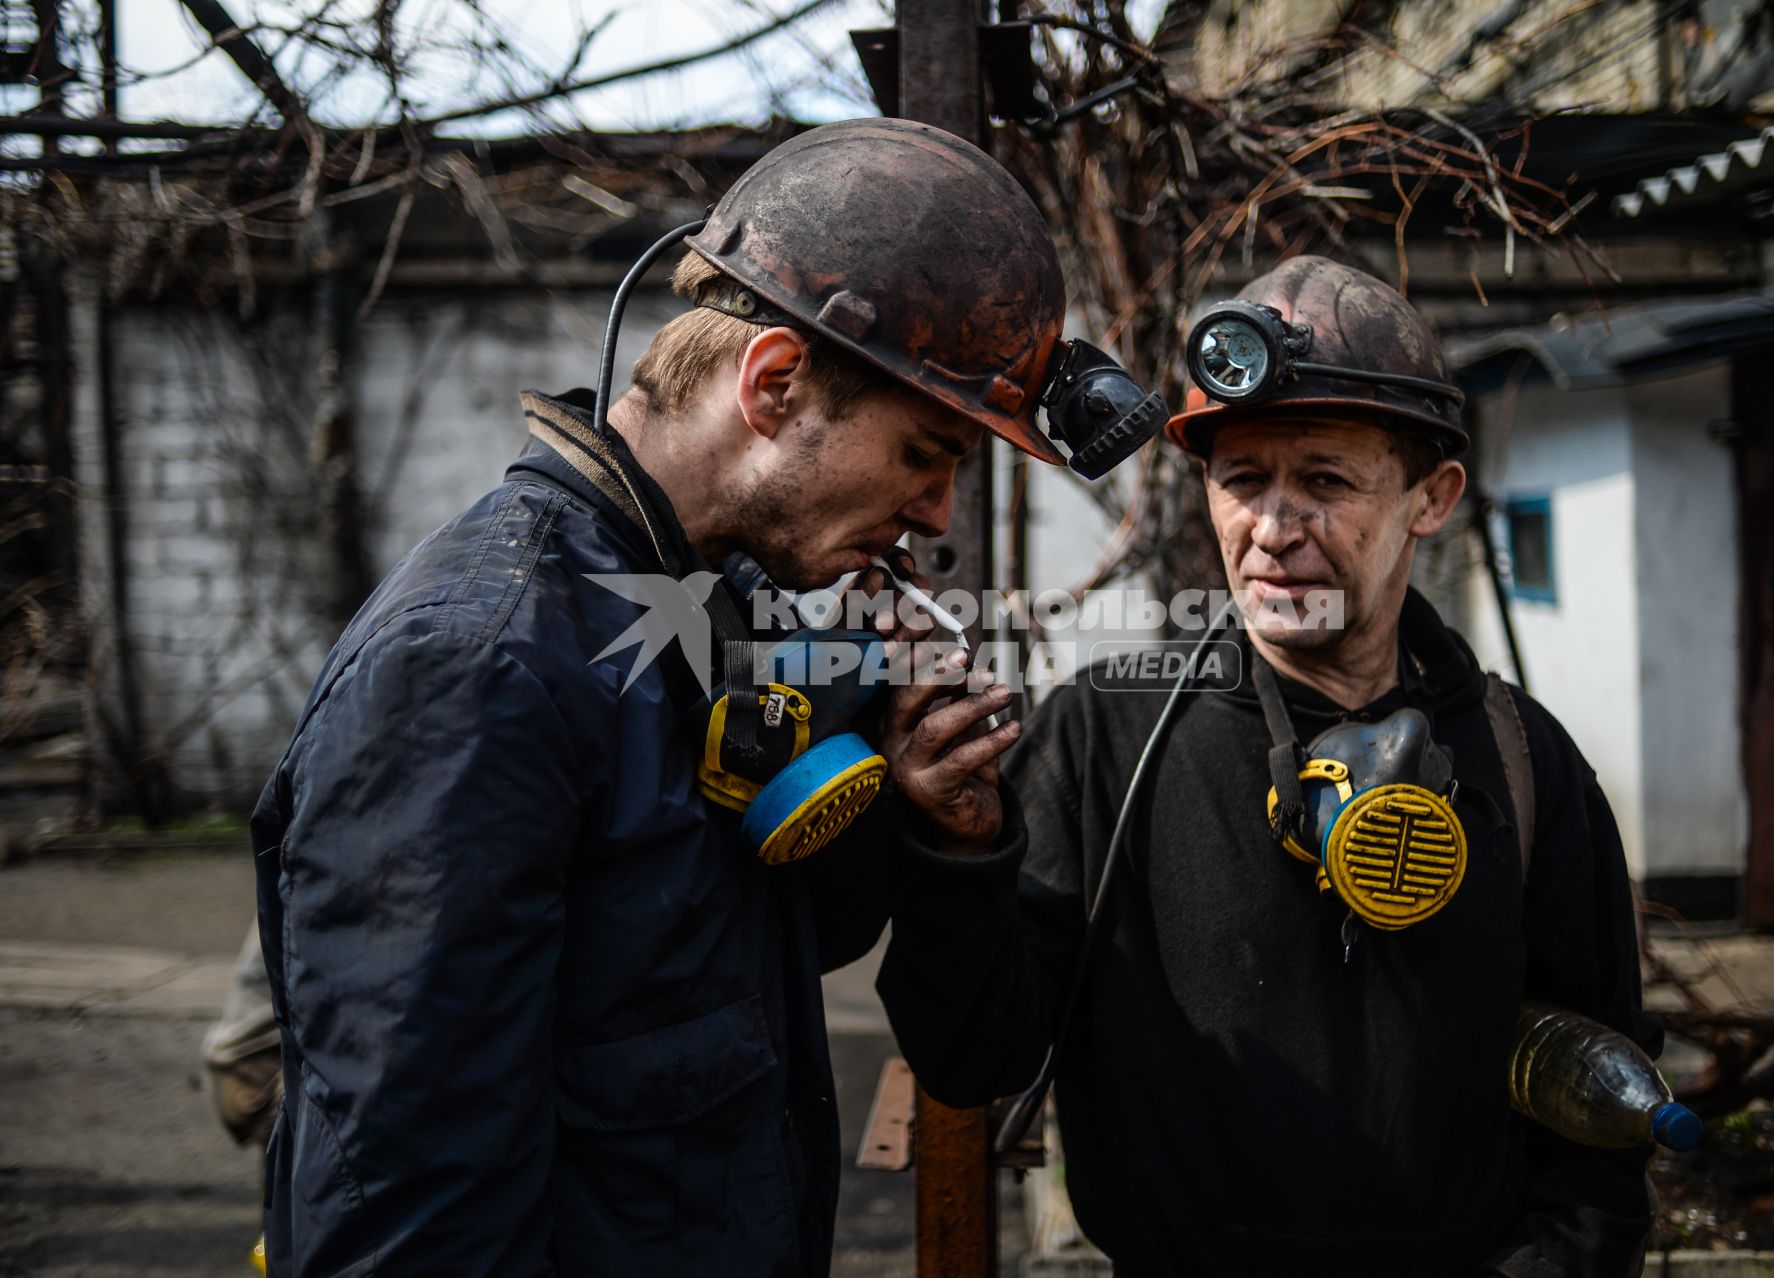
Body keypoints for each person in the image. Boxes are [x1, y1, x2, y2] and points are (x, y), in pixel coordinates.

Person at [248, 119, 1131, 1275]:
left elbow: (753, 955)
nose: (936, 517)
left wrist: (923, 808)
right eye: (927, 452)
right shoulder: (477, 664)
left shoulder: (710, 602)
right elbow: (413, 1198)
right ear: (772, 386)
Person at [878, 256, 1658, 1275]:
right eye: (1242, 480)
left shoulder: (1519, 760)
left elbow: (1598, 1123)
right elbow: (974, 1055)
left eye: (1326, 481)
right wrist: (956, 855)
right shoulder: (1104, 736)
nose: (1274, 529)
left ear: (1432, 498)